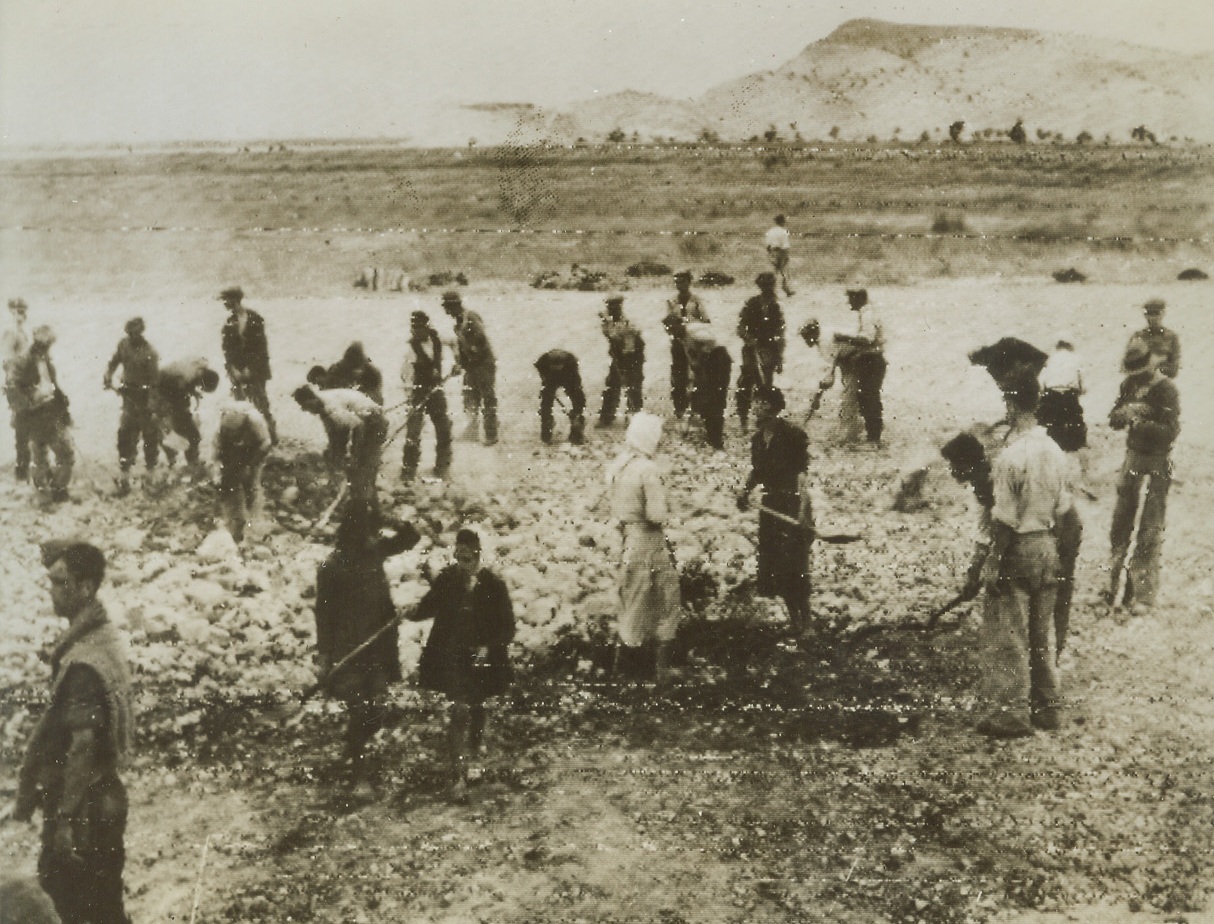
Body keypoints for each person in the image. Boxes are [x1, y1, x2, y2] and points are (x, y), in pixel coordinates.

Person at [13, 540, 133, 924]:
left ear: (84, 587)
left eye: (59, 581)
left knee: (69, 905)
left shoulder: (83, 663)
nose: (51, 589)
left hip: (84, 808)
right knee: (104, 905)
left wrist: (63, 821)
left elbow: (82, 746)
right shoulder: (103, 638)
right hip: (105, 798)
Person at [977, 375, 1072, 737]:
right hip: (1048, 542)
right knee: (1040, 633)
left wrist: (993, 561)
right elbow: (1064, 508)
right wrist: (1057, 552)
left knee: (1009, 636)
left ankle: (1011, 715)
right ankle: (1048, 709)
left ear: (1012, 406)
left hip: (1018, 545)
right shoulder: (1055, 451)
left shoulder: (1011, 456)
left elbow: (1003, 518)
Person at [943, 429, 1082, 665]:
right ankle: (1045, 666)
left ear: (967, 465)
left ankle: (1053, 656)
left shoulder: (994, 478)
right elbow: (987, 528)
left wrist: (987, 565)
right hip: (1044, 529)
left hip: (1062, 527)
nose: (952, 472)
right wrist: (974, 572)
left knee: (1056, 594)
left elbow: (1000, 525)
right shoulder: (982, 481)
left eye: (954, 466)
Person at [315, 503, 420, 774]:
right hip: (348, 648)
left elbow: (411, 538)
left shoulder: (374, 551)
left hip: (380, 644)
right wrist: (324, 658)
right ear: (354, 534)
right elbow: (323, 615)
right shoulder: (331, 567)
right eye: (371, 532)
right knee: (360, 708)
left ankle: (352, 745)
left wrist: (391, 520)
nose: (376, 537)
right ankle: (359, 772)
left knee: (379, 709)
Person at [409, 528, 515, 789]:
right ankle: (458, 775)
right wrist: (411, 612)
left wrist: (488, 648)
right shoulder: (447, 580)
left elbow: (507, 627)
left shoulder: (493, 585)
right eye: (459, 558)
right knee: (459, 709)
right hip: (451, 655)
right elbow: (429, 606)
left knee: (477, 708)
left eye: (468, 559)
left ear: (478, 555)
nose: (463, 564)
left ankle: (475, 755)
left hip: (480, 659)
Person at [1107, 339, 1181, 614]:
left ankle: (1143, 595)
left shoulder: (1167, 390)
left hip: (1158, 460)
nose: (1136, 376)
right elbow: (1113, 418)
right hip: (1133, 456)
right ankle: (1113, 589)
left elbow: (1171, 430)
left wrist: (1142, 420)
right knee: (1120, 522)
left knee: (1150, 528)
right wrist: (1122, 415)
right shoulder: (1128, 386)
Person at [606, 413, 682, 681]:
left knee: (631, 597)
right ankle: (656, 668)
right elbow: (656, 515)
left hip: (627, 537)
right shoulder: (648, 470)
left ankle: (623, 665)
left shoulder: (618, 466)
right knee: (666, 597)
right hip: (648, 539)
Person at [737, 386, 814, 633]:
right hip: (770, 506)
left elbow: (802, 474)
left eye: (761, 402)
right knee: (776, 566)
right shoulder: (758, 440)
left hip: (791, 504)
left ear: (773, 407)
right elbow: (758, 471)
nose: (756, 407)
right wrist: (745, 490)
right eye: (754, 401)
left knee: (795, 565)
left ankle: (807, 621)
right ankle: (794, 621)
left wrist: (803, 508)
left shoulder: (792, 435)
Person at [293, 384, 388, 514]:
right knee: (355, 470)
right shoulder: (322, 405)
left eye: (306, 406)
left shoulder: (332, 408)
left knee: (362, 469)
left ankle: (367, 511)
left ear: (313, 399)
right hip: (361, 419)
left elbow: (358, 426)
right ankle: (363, 502)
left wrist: (355, 454)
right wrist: (335, 451)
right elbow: (335, 431)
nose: (306, 410)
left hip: (374, 423)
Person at [10, 326, 73, 503]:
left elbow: (52, 385)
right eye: (46, 344)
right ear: (39, 343)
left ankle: (53, 489)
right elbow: (14, 390)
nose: (47, 348)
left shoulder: (44, 360)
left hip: (50, 414)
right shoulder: (24, 362)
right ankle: (49, 491)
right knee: (50, 453)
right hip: (35, 417)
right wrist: (31, 402)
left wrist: (62, 403)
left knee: (53, 453)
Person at [103, 316, 160, 492]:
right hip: (128, 396)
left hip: (143, 398)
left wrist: (151, 405)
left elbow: (154, 382)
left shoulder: (150, 353)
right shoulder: (123, 344)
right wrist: (108, 374)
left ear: (140, 333)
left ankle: (150, 474)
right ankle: (125, 474)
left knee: (150, 436)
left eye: (134, 333)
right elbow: (114, 361)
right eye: (129, 333)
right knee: (125, 434)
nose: (131, 336)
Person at [306, 341, 384, 469]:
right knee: (339, 434)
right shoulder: (336, 371)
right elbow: (328, 406)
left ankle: (358, 458)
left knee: (365, 435)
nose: (357, 372)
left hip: (359, 405)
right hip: (343, 407)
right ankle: (339, 455)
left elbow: (376, 396)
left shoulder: (371, 372)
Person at [219, 286, 277, 444]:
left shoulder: (255, 319)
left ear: (235, 299)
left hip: (256, 370)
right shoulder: (228, 323)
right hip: (237, 372)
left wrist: (250, 368)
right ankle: (248, 437)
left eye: (226, 299)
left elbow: (260, 348)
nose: (224, 303)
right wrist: (233, 370)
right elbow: (227, 351)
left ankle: (271, 437)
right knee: (240, 406)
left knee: (261, 403)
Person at [400, 311, 453, 482]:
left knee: (443, 427)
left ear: (427, 327)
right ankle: (409, 469)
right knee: (413, 432)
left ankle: (442, 467)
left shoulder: (438, 339)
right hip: (417, 392)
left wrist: (458, 361)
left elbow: (455, 342)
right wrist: (410, 397)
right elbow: (406, 375)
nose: (416, 332)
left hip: (436, 390)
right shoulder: (410, 349)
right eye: (413, 328)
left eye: (419, 328)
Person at [442, 291, 498, 446]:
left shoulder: (470, 318)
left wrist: (467, 361)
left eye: (447, 307)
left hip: (484, 364)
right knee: (469, 396)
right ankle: (472, 432)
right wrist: (459, 362)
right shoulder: (458, 323)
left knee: (487, 398)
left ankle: (491, 434)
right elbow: (463, 346)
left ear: (453, 306)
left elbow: (480, 342)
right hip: (472, 366)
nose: (446, 311)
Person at [214, 400, 272, 543]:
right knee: (226, 483)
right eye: (229, 432)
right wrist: (218, 472)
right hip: (232, 451)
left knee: (252, 483)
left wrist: (250, 465)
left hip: (255, 448)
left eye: (234, 432)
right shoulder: (221, 429)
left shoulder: (254, 421)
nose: (231, 433)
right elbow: (215, 453)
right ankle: (231, 521)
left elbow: (266, 443)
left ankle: (253, 522)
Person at [1037, 332, 1090, 487]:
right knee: (1078, 436)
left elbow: (1041, 385)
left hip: (1051, 397)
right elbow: (1083, 385)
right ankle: (1084, 477)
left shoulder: (1050, 359)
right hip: (1069, 397)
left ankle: (1049, 476)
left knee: (1050, 436)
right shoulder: (1076, 358)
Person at [735, 273, 785, 431]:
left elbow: (780, 333)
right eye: (764, 285)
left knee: (766, 386)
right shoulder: (752, 303)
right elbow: (741, 326)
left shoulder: (776, 307)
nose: (767, 288)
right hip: (751, 349)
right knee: (745, 382)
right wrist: (748, 338)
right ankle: (743, 418)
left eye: (770, 285)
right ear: (759, 286)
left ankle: (764, 420)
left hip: (769, 350)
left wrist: (779, 358)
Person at [840, 288, 886, 446]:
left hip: (871, 361)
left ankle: (874, 437)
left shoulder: (867, 315)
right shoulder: (867, 313)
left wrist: (845, 338)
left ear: (858, 298)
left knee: (869, 398)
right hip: (869, 360)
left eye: (851, 299)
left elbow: (867, 339)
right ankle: (872, 435)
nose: (849, 302)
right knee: (867, 397)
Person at [155, 356, 219, 470]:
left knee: (190, 432)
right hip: (162, 389)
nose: (200, 388)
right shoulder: (184, 378)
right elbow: (175, 397)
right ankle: (178, 459)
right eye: (201, 387)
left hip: (170, 386)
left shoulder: (201, 366)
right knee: (180, 431)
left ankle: (189, 459)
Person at [662, 271, 710, 419]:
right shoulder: (671, 301)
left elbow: (706, 321)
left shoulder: (696, 301)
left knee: (698, 375)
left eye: (682, 282)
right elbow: (668, 322)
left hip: (695, 342)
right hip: (678, 342)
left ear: (689, 282)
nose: (679, 285)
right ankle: (680, 408)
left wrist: (692, 327)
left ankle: (697, 408)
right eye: (677, 282)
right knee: (678, 376)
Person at [597, 296, 645, 427]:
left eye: (615, 306)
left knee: (633, 384)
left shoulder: (628, 322)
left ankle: (634, 416)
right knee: (612, 384)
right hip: (619, 354)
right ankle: (607, 416)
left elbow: (628, 345)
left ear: (620, 307)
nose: (611, 309)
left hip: (633, 354)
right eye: (609, 306)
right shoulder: (607, 321)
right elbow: (608, 334)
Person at [683, 324, 731, 451]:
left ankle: (715, 440)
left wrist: (700, 365)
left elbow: (708, 346)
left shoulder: (692, 333)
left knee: (715, 402)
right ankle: (711, 437)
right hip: (712, 361)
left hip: (717, 360)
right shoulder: (688, 336)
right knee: (708, 402)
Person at [3, 297, 31, 480]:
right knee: (22, 425)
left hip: (22, 383)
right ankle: (21, 468)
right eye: (18, 311)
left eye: (23, 310)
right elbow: (7, 360)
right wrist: (15, 382)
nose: (21, 314)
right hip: (16, 385)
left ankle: (24, 465)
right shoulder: (11, 332)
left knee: (25, 424)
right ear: (11, 312)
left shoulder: (21, 332)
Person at [534, 349, 586, 445]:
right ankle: (547, 427)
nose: (556, 369)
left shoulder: (571, 364)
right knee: (546, 402)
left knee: (578, 399)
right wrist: (545, 380)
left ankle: (576, 431)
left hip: (568, 377)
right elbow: (541, 370)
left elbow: (578, 392)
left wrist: (577, 413)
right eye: (554, 367)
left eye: (558, 367)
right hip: (550, 378)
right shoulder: (543, 361)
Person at [1124, 299, 1180, 379]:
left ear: (1162, 314)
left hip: (1160, 382)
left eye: (1156, 314)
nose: (1153, 318)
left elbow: (1174, 369)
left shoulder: (1171, 337)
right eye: (1149, 314)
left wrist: (1157, 366)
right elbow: (1126, 365)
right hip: (1138, 380)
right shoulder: (1137, 336)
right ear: (1145, 315)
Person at [764, 214, 795, 297]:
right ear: (782, 222)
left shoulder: (770, 231)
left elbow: (767, 245)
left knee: (773, 273)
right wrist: (785, 257)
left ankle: (771, 291)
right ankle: (786, 290)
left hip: (772, 252)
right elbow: (785, 246)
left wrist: (770, 254)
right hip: (781, 252)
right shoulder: (783, 232)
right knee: (784, 272)